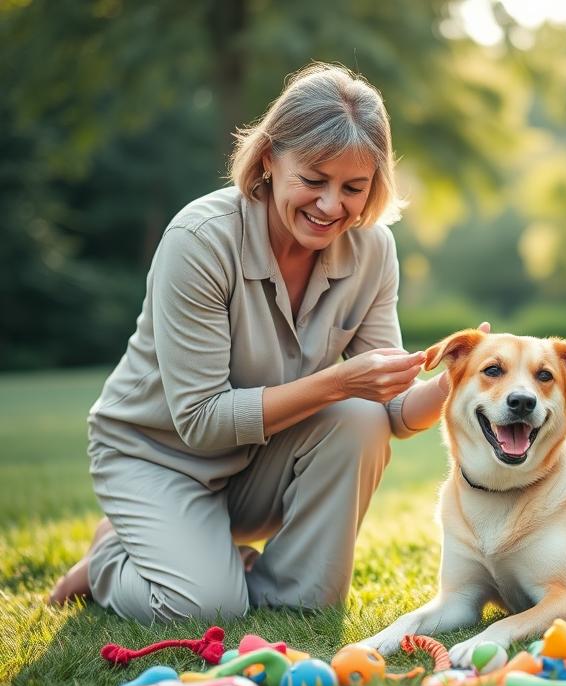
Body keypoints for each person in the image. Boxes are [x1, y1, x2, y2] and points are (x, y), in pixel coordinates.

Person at [48, 62, 473, 623]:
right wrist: (338, 381)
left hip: (259, 464)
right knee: (202, 607)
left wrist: (458, 380)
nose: (331, 206)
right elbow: (199, 420)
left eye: (354, 187)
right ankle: (110, 557)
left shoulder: (373, 251)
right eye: (313, 180)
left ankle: (286, 593)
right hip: (159, 457)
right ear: (270, 159)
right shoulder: (199, 240)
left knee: (360, 421)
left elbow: (391, 412)